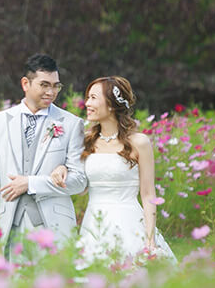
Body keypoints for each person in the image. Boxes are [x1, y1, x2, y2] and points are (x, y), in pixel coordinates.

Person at [0, 54, 88, 262]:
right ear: (26, 84)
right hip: (9, 226)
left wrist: (31, 183)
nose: (51, 92)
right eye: (44, 85)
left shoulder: (71, 124)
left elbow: (79, 181)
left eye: (56, 86)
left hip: (54, 227)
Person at [70, 76, 177, 266]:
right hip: (94, 224)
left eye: (93, 98)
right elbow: (81, 186)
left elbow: (148, 194)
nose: (87, 103)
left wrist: (150, 237)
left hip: (131, 224)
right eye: (88, 98)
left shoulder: (139, 142)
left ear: (111, 105)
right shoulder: (85, 141)